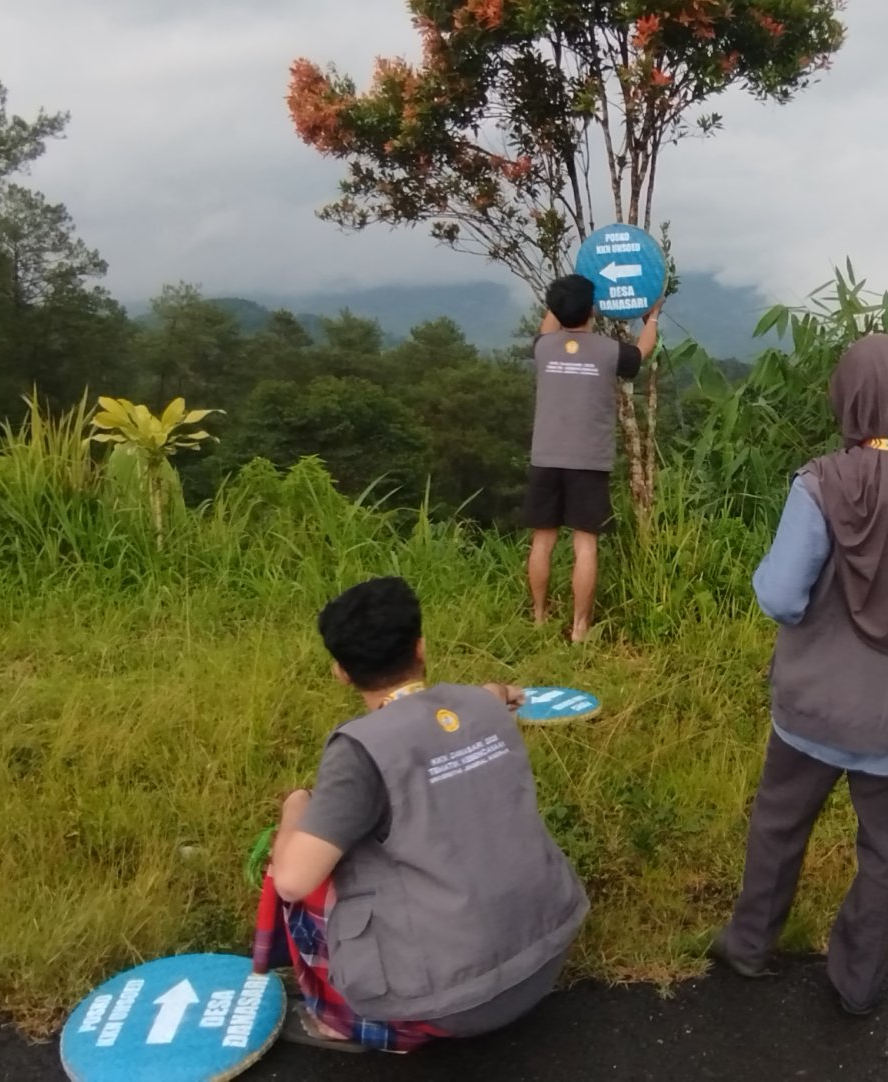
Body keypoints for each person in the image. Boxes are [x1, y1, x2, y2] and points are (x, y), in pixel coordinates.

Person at [708, 334, 888, 1016]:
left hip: (813, 706)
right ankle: (857, 985)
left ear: (847, 398)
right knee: (884, 850)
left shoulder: (821, 483)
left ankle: (750, 946)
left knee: (780, 821)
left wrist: (763, 575)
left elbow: (782, 596)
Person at [254, 576, 589, 1052]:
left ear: (341, 673)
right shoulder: (480, 706)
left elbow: (291, 879)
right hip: (544, 960)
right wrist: (501, 690)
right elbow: (495, 695)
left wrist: (295, 805)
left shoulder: (359, 752)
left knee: (300, 865)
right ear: (422, 648)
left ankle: (334, 1017)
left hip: (453, 1005)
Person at [525, 273, 662, 642]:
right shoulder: (608, 351)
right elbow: (642, 351)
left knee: (543, 540)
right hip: (588, 460)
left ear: (554, 309)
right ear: (592, 309)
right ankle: (580, 628)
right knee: (585, 544)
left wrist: (562, 295)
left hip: (545, 457)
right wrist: (652, 317)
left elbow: (549, 321)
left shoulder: (543, 347)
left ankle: (538, 617)